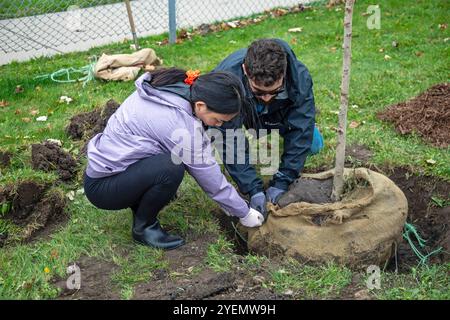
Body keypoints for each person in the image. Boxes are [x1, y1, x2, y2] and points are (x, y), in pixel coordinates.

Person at [83, 68, 265, 250]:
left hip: (118, 169)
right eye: (218, 120)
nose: (219, 125)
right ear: (201, 106)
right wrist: (243, 211)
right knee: (171, 167)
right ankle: (144, 227)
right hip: (104, 188)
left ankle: (145, 198)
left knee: (170, 165)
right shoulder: (178, 124)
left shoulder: (174, 89)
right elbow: (209, 177)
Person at [213, 38, 324, 217]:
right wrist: (253, 189)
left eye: (274, 91)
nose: (266, 98)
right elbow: (229, 138)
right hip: (245, 108)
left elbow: (301, 128)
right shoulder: (226, 80)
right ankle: (259, 116)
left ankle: (276, 122)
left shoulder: (299, 78)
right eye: (259, 91)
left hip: (281, 113)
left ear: (284, 73)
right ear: (245, 71)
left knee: (313, 145)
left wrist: (282, 181)